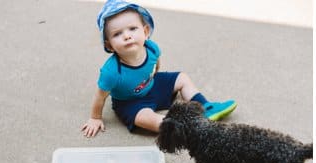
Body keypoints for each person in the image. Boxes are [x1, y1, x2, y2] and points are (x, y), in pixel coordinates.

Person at [81, 0, 237, 138]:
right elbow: (100, 96)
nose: (127, 36)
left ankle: (206, 106)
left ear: (146, 32)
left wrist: (156, 74)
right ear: (109, 45)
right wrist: (95, 117)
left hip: (151, 84)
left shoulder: (151, 49)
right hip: (130, 102)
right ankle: (183, 127)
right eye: (117, 34)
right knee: (146, 119)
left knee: (182, 78)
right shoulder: (111, 71)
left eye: (132, 29)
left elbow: (156, 62)